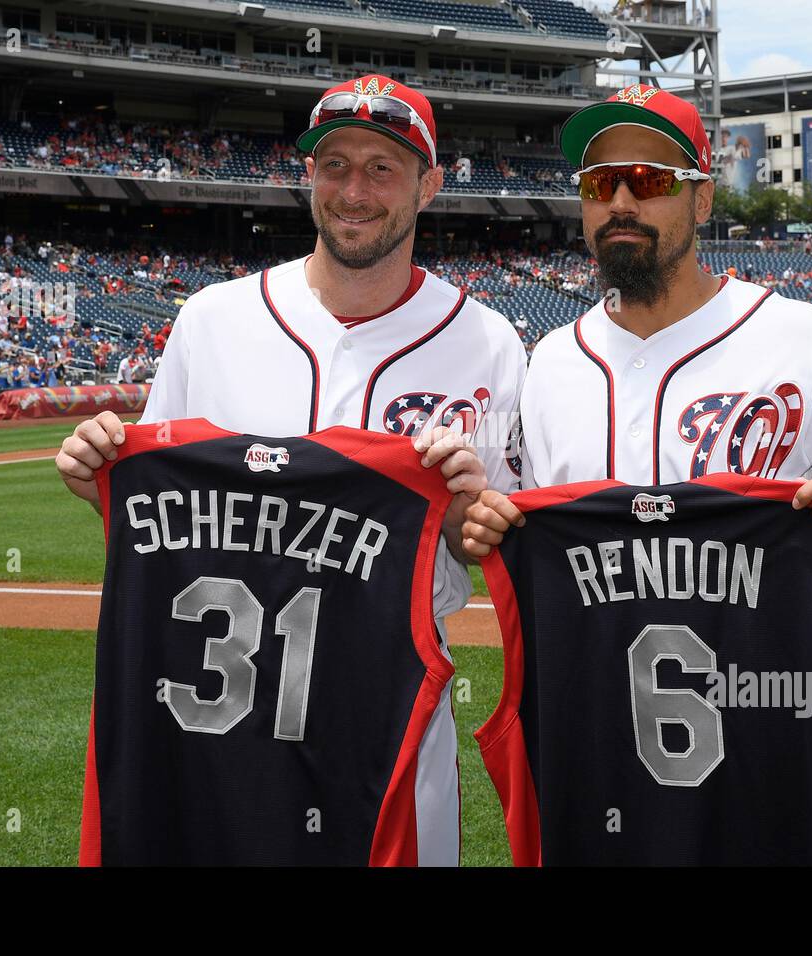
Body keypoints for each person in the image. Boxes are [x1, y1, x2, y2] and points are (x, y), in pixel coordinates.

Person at [56, 74, 527, 866]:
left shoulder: (488, 343)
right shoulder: (213, 321)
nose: (354, 189)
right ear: (307, 176)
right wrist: (98, 474)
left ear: (430, 185)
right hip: (210, 725)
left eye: (383, 167)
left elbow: (496, 540)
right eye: (333, 164)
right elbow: (160, 527)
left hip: (389, 714)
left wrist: (462, 512)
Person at [463, 86, 812, 568]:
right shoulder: (552, 360)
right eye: (599, 182)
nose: (620, 202)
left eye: (649, 180)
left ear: (703, 201)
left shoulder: (806, 340)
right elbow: (521, 517)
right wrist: (487, 518)